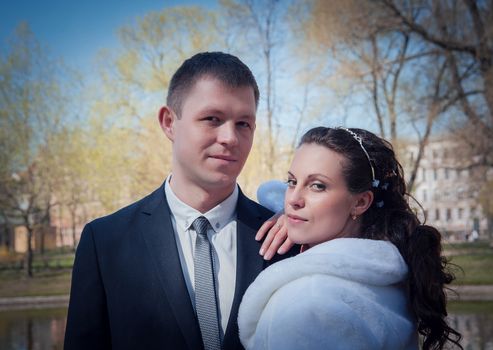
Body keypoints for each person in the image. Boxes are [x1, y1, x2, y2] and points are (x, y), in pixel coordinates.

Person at [64, 52, 296, 350]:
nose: (230, 138)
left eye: (243, 124)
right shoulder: (105, 242)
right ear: (169, 122)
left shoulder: (286, 239)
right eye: (212, 118)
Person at [238, 127, 463, 350]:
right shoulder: (385, 279)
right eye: (292, 182)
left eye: (317, 186)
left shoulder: (309, 305)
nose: (293, 200)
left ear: (361, 202)